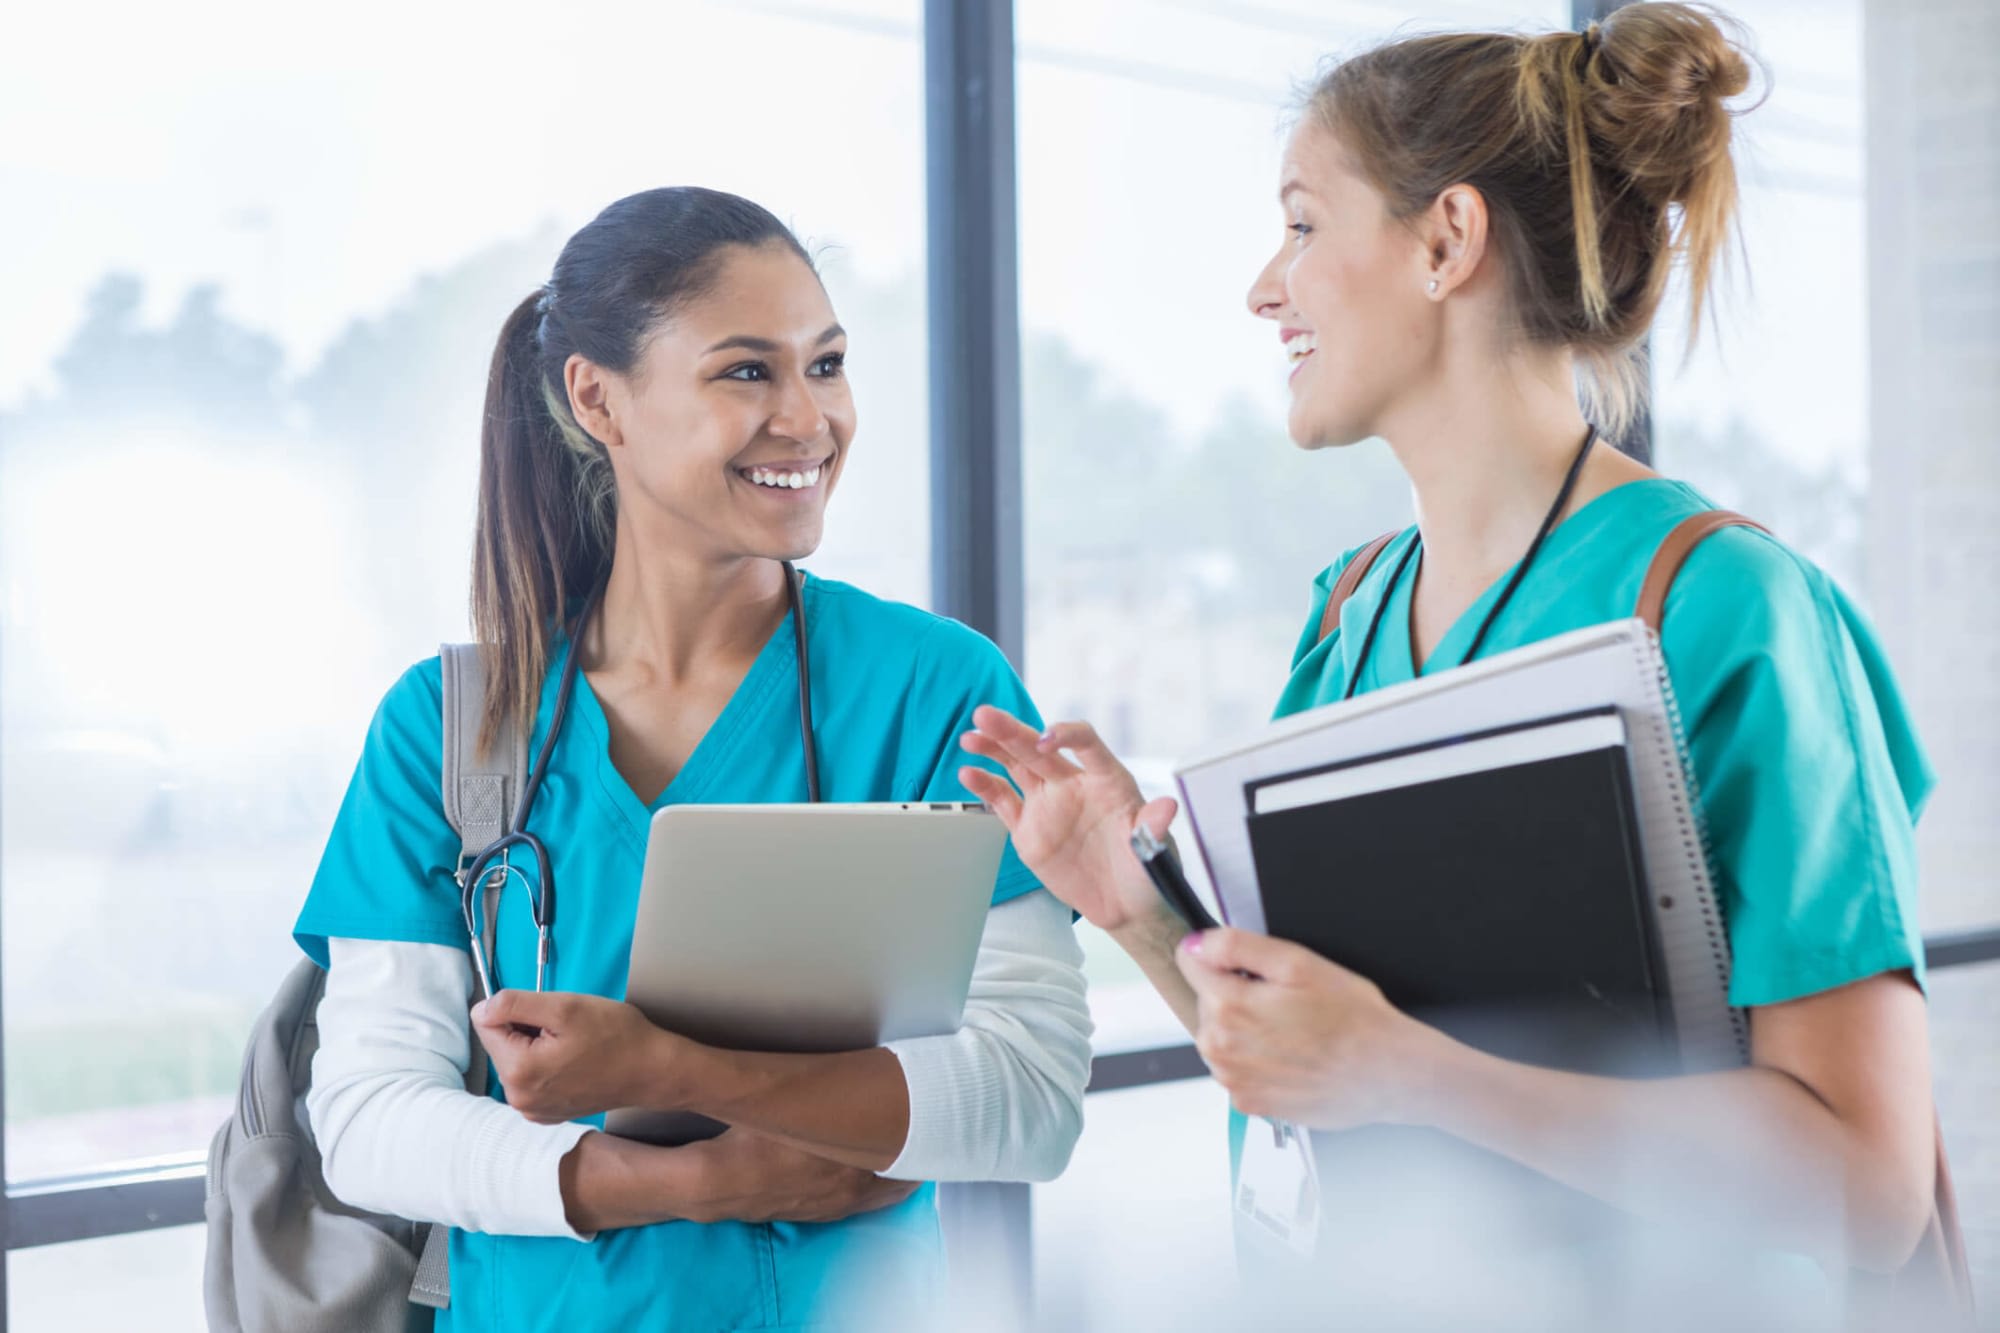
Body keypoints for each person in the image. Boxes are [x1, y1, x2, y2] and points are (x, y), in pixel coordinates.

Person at [962, 4, 1942, 1321]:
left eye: (1304, 224)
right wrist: (1133, 907)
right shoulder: (1348, 613)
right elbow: (1309, 1069)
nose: (1267, 285)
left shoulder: (1726, 610)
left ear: (1446, 240)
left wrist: (1414, 1071)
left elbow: (1866, 1191)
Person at [293, 187, 1092, 1331]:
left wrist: (671, 1069)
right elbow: (368, 1118)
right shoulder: (451, 724)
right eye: (745, 372)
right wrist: (693, 1180)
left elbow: (1029, 1098)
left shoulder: (936, 692)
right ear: (596, 399)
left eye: (825, 365)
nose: (809, 420)